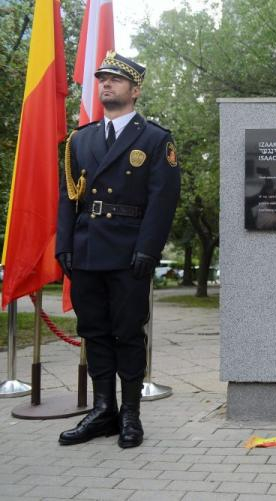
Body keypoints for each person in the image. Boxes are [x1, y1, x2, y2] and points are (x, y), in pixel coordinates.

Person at [55, 52, 181, 448]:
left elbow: (163, 202)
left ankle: (130, 415)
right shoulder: (81, 139)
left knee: (127, 333)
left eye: (115, 79)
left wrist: (148, 249)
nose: (106, 84)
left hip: (129, 252)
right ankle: (102, 410)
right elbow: (67, 197)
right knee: (94, 332)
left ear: (135, 89)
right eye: (102, 79)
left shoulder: (155, 139)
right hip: (88, 247)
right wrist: (64, 244)